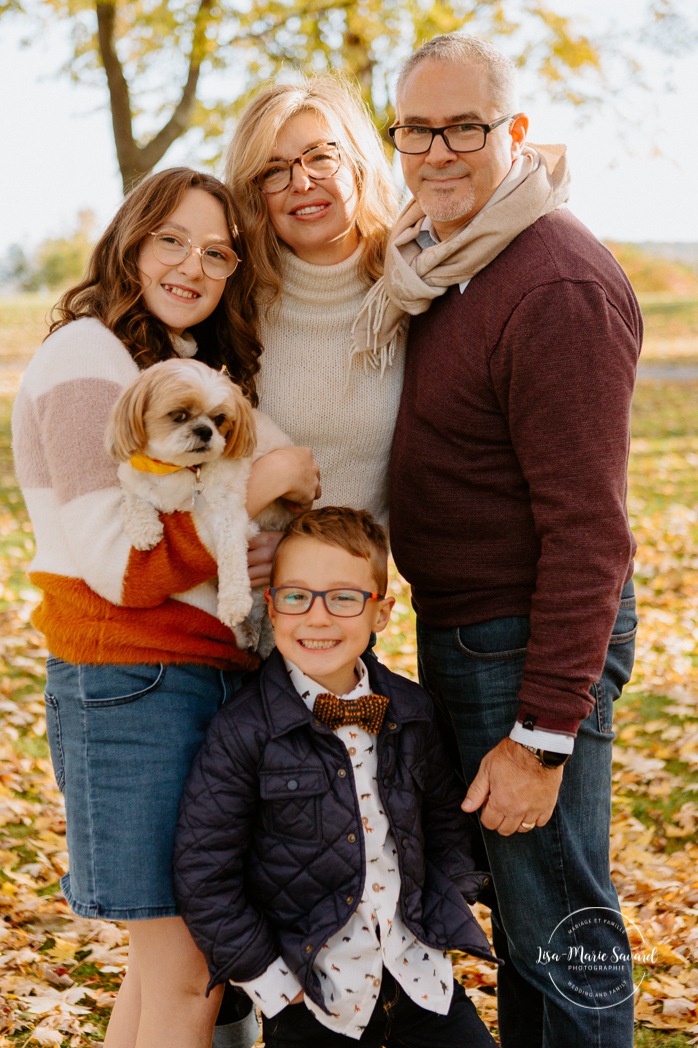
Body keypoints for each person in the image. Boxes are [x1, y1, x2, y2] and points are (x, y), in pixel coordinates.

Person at [355, 34, 642, 1048]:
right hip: (471, 632)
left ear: (510, 133)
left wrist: (540, 735)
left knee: (561, 926)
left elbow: (589, 531)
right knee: (522, 930)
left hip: (528, 645)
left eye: (462, 128)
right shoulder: (447, 261)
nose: (435, 152)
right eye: (415, 130)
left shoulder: (552, 282)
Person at [12, 167, 319, 1048]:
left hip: (197, 675)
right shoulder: (86, 358)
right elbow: (124, 569)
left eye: (218, 253)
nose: (194, 265)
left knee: (165, 975)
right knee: (188, 970)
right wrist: (265, 479)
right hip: (130, 684)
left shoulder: (164, 367)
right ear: (131, 241)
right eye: (171, 240)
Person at [174, 506, 498, 1048]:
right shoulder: (244, 731)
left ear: (382, 613)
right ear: (270, 609)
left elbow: (448, 826)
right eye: (296, 596)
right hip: (314, 998)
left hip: (422, 982)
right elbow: (204, 873)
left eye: (344, 598)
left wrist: (447, 906)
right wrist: (273, 985)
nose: (318, 618)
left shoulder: (413, 710)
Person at [224, 75, 403, 556]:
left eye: (321, 156)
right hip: (233, 590)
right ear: (254, 191)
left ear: (360, 163)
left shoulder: (414, 289)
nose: (301, 183)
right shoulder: (230, 303)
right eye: (273, 170)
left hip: (349, 604)